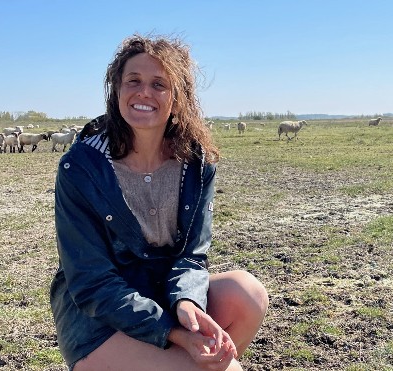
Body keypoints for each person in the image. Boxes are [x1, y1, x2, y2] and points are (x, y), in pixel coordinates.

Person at [50, 34, 268, 370]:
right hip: (99, 315)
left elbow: (192, 256)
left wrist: (187, 302)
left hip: (164, 290)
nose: (144, 93)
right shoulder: (80, 168)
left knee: (248, 294)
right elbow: (92, 283)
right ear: (116, 89)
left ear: (177, 97)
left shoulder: (196, 164)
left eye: (159, 84)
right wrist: (175, 333)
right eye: (133, 80)